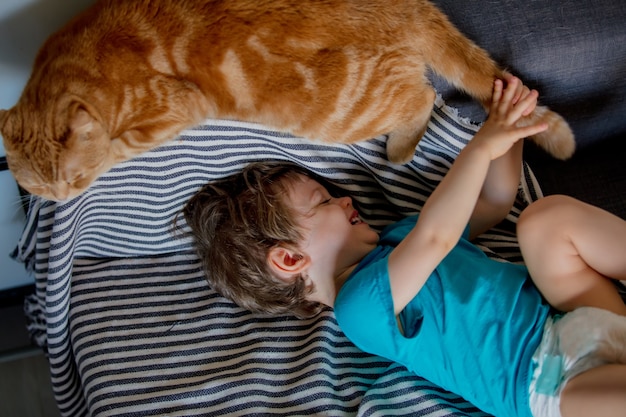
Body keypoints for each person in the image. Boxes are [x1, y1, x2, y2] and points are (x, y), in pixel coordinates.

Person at [181, 76, 626, 417]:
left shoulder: (401, 236)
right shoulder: (358, 308)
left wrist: (505, 127)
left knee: (543, 222)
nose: (345, 198)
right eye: (324, 202)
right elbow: (439, 236)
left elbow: (492, 203)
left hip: (572, 315)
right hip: (548, 381)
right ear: (291, 258)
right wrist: (480, 145)